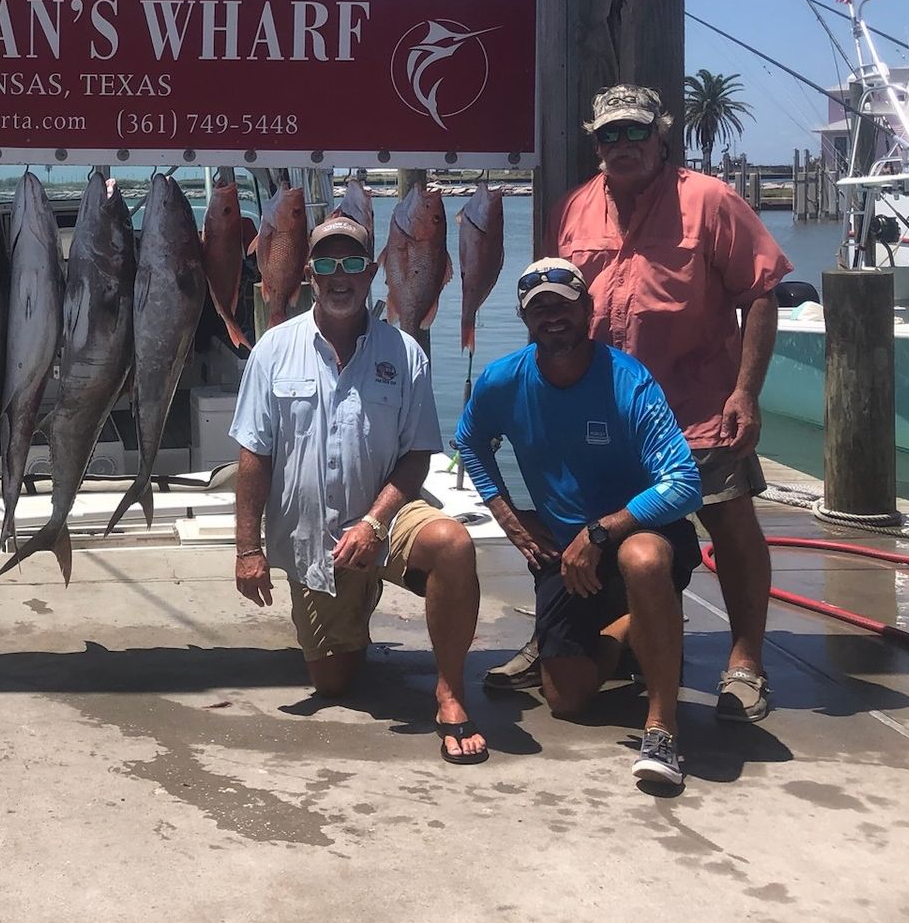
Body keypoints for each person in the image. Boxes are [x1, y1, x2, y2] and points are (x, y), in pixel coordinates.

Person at [488, 84, 791, 725]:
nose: (623, 145)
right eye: (609, 135)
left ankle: (744, 661)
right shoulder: (574, 207)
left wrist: (746, 391)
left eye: (635, 132)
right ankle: (564, 633)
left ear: (661, 135)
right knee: (581, 524)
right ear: (595, 142)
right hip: (601, 412)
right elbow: (553, 300)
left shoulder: (710, 200)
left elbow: (761, 291)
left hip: (698, 408)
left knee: (730, 527)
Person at [230, 213, 488, 764]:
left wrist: (374, 523)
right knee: (333, 683)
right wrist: (248, 549)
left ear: (372, 272)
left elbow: (418, 453)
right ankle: (359, 598)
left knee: (452, 544)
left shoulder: (406, 354)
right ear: (308, 274)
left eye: (352, 263)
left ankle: (450, 692)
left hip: (387, 521)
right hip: (314, 541)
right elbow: (253, 454)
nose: (339, 275)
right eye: (327, 263)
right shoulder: (272, 350)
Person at [457, 259, 703, 789]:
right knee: (566, 701)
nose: (553, 316)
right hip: (564, 547)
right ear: (526, 319)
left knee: (643, 559)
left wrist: (600, 532)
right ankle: (630, 627)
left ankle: (661, 727)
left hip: (640, 530)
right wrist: (509, 517)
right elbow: (470, 443)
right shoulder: (503, 381)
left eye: (564, 304)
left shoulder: (628, 380)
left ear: (588, 310)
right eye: (539, 307)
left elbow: (683, 483)